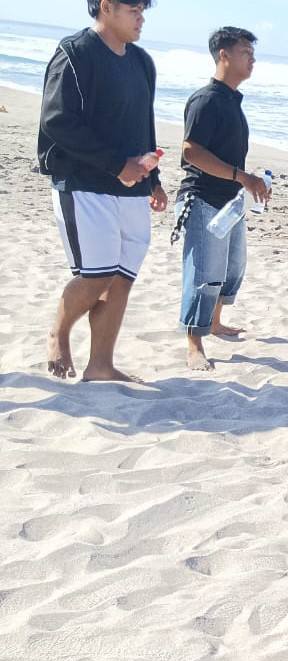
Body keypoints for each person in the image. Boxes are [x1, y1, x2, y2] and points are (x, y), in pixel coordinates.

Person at [38, 0, 167, 382]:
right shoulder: (74, 53)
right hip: (84, 182)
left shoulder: (143, 62)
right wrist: (116, 165)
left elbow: (143, 124)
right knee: (97, 275)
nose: (142, 15)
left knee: (122, 278)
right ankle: (58, 334)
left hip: (132, 189)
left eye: (145, 8)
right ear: (106, 7)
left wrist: (153, 181)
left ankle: (100, 366)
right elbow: (57, 121)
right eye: (135, 8)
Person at [173, 27, 270, 371]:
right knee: (204, 271)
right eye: (246, 52)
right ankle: (193, 343)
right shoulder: (207, 99)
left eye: (253, 53)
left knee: (232, 267)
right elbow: (191, 152)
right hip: (202, 199)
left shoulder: (231, 100)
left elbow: (227, 155)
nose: (252, 59)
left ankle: (213, 323)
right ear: (224, 55)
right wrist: (241, 176)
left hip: (230, 200)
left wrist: (249, 182)